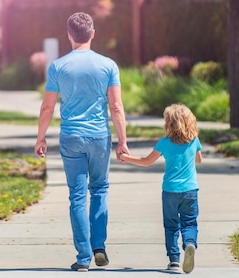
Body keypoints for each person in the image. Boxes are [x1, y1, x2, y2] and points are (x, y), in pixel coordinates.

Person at [34, 12, 129, 272]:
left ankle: (84, 257)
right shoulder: (108, 65)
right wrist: (122, 141)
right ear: (92, 34)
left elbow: (47, 108)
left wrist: (41, 137)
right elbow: (117, 106)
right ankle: (99, 247)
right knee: (99, 190)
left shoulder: (58, 67)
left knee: (77, 197)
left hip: (71, 137)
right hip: (99, 136)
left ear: (69, 35)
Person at [119, 103, 202, 274]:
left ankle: (174, 261)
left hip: (170, 191)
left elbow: (146, 161)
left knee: (171, 225)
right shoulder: (194, 141)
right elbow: (199, 160)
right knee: (189, 222)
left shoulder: (164, 143)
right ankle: (190, 244)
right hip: (190, 190)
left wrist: (126, 158)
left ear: (169, 124)